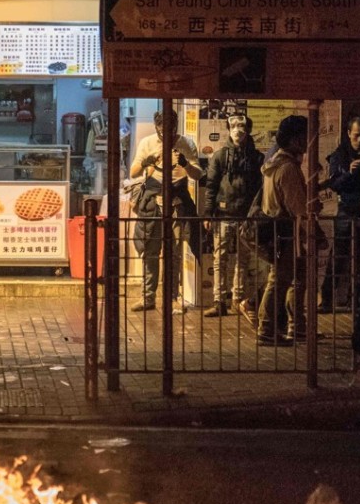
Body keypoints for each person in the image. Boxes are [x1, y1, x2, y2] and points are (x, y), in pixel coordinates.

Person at [129, 109, 203, 312]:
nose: (166, 136)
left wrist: (186, 164)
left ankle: (171, 298)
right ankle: (148, 297)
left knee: (175, 252)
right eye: (162, 132)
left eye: (170, 130)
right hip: (153, 202)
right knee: (150, 251)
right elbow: (134, 172)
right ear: (156, 128)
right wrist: (147, 162)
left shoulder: (186, 144)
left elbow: (198, 175)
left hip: (178, 203)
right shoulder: (147, 143)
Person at [256, 115, 321, 346]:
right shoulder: (288, 169)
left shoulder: (275, 164)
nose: (309, 141)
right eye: (305, 137)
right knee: (281, 281)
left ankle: (296, 326)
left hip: (281, 232)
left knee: (295, 279)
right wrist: (314, 232)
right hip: (287, 234)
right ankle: (267, 329)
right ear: (295, 141)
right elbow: (298, 207)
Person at [202, 114, 264, 320]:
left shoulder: (256, 158)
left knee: (243, 260)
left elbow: (260, 188)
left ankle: (237, 300)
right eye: (234, 125)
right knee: (220, 259)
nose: (238, 130)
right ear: (228, 128)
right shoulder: (220, 157)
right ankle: (219, 301)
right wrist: (208, 214)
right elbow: (210, 187)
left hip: (245, 216)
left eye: (242, 126)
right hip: (223, 215)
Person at [320, 116, 360, 312]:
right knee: (339, 255)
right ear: (349, 134)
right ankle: (327, 298)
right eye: (356, 136)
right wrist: (350, 172)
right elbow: (336, 184)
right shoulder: (340, 155)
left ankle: (359, 299)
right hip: (347, 210)